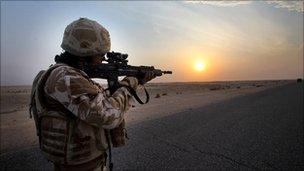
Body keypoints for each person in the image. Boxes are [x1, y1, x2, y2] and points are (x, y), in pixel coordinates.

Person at [29, 18, 155, 171]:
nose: (103, 58)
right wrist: (131, 83)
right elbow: (109, 116)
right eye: (100, 53)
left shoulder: (67, 74)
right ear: (85, 51)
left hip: (84, 161)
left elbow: (94, 102)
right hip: (79, 166)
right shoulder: (66, 77)